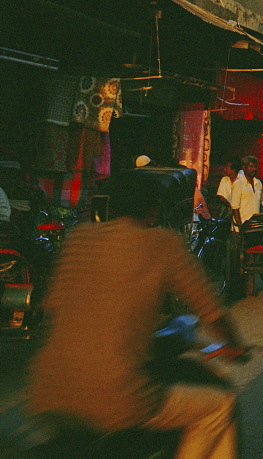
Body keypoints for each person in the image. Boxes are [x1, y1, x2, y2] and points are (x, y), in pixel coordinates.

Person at [29, 169, 248, 457]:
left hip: (47, 392)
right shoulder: (163, 244)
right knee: (220, 406)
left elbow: (56, 308)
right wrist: (235, 346)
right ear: (154, 209)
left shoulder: (79, 238)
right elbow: (212, 313)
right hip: (116, 398)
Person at [230, 155, 263, 232]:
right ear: (244, 168)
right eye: (251, 166)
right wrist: (240, 226)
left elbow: (260, 205)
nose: (254, 169)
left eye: (255, 166)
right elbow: (235, 208)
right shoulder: (238, 184)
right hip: (241, 228)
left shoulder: (258, 183)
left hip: (255, 227)